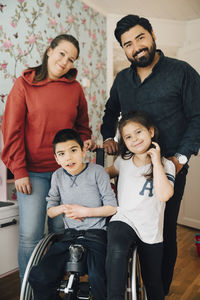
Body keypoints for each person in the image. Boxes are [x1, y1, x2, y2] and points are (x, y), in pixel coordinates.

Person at [101, 14, 200, 294]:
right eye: (128, 43)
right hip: (130, 168)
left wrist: (180, 159)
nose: (136, 47)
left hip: (168, 169)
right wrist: (109, 136)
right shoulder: (122, 80)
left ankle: (159, 291)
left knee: (163, 232)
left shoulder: (182, 72)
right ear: (124, 48)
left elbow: (198, 116)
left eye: (140, 37)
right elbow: (110, 112)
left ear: (152, 34)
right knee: (127, 222)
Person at [1, 34, 94, 282]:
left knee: (61, 232)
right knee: (31, 234)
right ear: (49, 50)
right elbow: (11, 130)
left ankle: (55, 286)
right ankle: (28, 290)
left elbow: (83, 126)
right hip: (31, 173)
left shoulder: (75, 89)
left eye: (71, 58)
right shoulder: (24, 85)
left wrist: (85, 139)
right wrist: (19, 170)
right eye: (62, 53)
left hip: (66, 173)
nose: (65, 61)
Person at [28, 128, 117, 300]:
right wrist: (63, 208)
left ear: (83, 150)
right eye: (61, 154)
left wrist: (85, 211)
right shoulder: (57, 176)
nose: (68, 157)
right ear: (56, 158)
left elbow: (112, 208)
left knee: (99, 279)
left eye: (73, 150)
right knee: (39, 276)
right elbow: (51, 211)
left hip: (96, 235)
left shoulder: (97, 172)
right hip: (70, 236)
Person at [105, 111, 175, 300]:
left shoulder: (167, 165)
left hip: (150, 229)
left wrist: (156, 162)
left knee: (153, 282)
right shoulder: (123, 161)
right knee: (116, 251)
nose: (134, 139)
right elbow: (103, 174)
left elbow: (165, 194)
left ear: (151, 132)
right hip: (124, 219)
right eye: (128, 137)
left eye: (138, 132)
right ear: (124, 142)